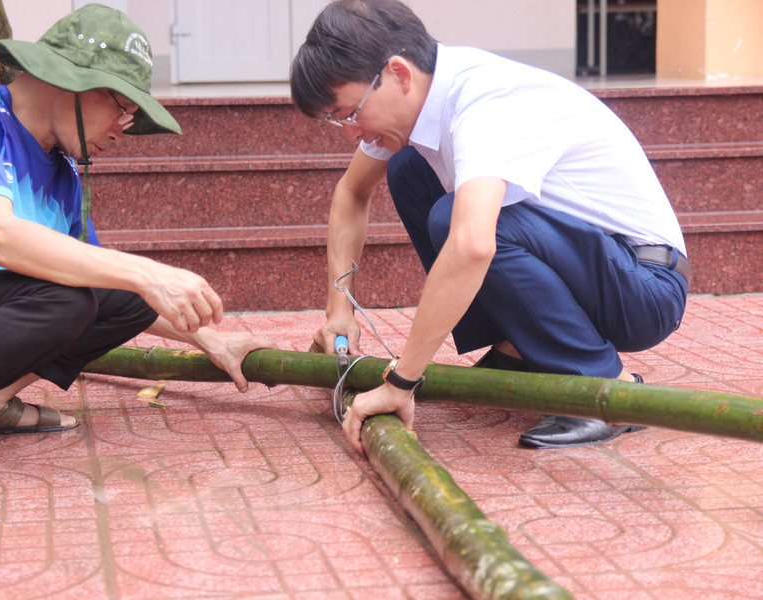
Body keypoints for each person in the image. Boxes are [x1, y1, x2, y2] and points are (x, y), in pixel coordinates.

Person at [0, 4, 270, 504]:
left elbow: (112, 289)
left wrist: (212, 341)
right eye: (122, 108)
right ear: (73, 82)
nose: (123, 129)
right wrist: (146, 272)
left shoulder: (63, 175)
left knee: (117, 293)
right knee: (78, 296)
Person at [290, 0, 690, 454]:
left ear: (399, 75)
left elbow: (473, 245)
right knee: (407, 168)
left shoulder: (485, 100)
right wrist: (339, 310)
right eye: (337, 121)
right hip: (596, 266)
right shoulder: (427, 98)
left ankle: (602, 388)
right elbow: (351, 192)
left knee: (461, 220)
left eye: (350, 112)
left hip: (645, 285)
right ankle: (515, 349)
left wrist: (402, 380)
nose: (350, 133)